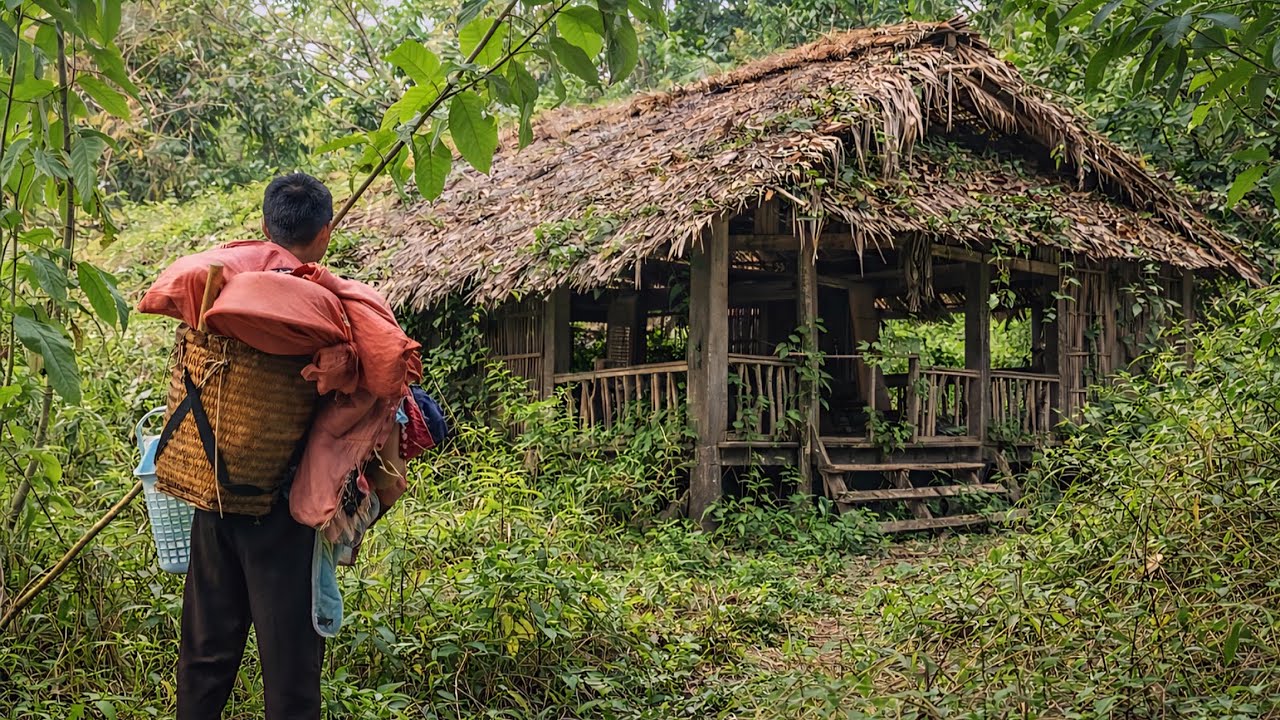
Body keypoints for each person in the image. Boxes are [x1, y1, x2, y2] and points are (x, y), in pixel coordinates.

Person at [176, 173, 335, 720]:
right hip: (284, 510)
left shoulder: (215, 292)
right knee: (289, 672)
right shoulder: (326, 309)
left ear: (264, 226)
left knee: (204, 656)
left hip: (212, 494)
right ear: (325, 233)